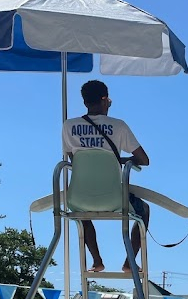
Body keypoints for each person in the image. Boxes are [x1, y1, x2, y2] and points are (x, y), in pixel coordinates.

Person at [63, 80, 150, 273]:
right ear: (104, 100)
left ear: (85, 102)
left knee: (82, 213)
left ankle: (97, 261)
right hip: (114, 199)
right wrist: (119, 160)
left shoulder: (69, 126)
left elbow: (74, 160)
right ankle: (129, 262)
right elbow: (144, 160)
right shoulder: (118, 126)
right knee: (143, 210)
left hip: (78, 198)